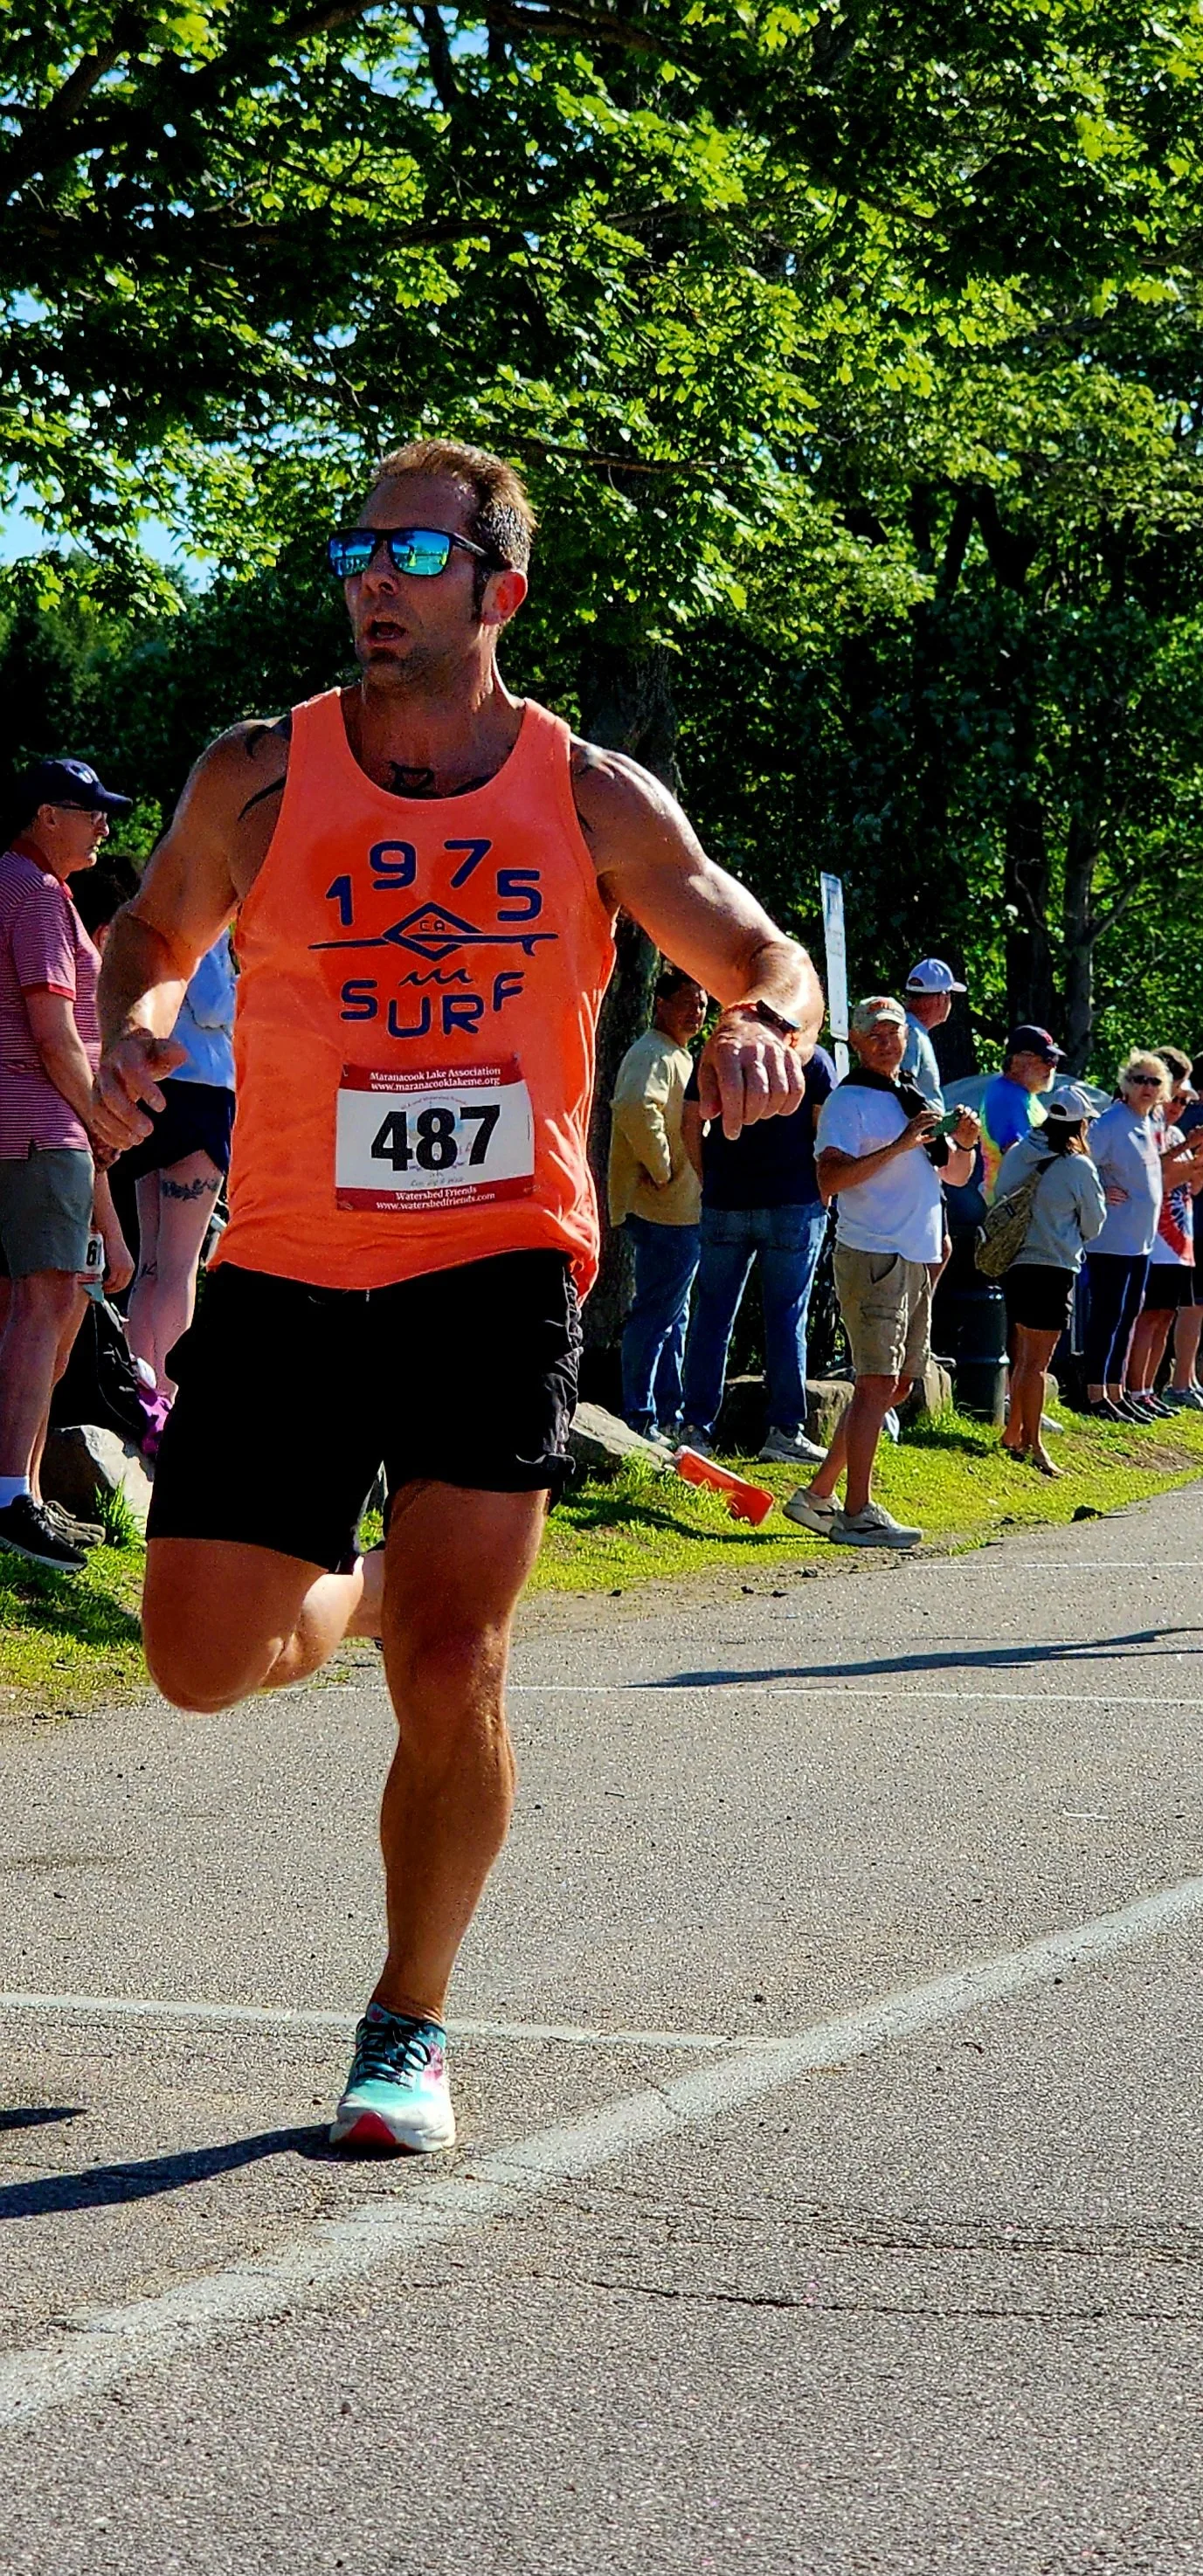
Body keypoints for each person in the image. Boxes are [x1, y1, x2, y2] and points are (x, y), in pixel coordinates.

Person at [92, 435, 825, 2156]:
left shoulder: (589, 796)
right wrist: (133, 1016)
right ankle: (350, 1580)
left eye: (410, 555)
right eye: (355, 549)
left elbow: (753, 947)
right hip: (280, 1259)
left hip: (496, 1254)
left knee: (456, 1649)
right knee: (200, 1663)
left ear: (499, 588)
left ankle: (406, 2024)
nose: (369, 577)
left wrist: (770, 1019)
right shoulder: (260, 774)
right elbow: (151, 935)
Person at [0, 756, 135, 1571]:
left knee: (31, 1309)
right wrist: (101, 1116)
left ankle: (29, 1491)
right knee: (45, 1307)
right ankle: (13, 1496)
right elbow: (55, 1035)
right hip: (40, 1130)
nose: (104, 825)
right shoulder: (39, 893)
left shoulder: (14, 883)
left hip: (29, 1129)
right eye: (90, 811)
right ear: (47, 815)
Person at [784, 996, 979, 1547]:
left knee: (894, 1388)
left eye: (895, 1034)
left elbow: (956, 1176)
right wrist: (899, 1144)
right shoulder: (850, 1101)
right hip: (874, 1255)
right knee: (875, 1384)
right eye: (877, 1035)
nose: (889, 1043)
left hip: (914, 1256)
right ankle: (856, 1509)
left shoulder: (910, 1094)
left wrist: (961, 1144)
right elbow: (828, 1181)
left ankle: (819, 1495)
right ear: (856, 1043)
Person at [677, 1034, 835, 1465]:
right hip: (793, 1199)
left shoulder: (722, 1052)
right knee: (786, 1316)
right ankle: (784, 1430)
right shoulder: (812, 1060)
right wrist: (823, 1191)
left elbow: (690, 1120)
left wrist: (708, 1174)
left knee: (711, 1316)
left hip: (726, 1197)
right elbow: (825, 1133)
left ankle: (695, 1428)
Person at [122, 931, 237, 1435]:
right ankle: (167, 1400)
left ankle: (135, 1383)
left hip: (151, 1088)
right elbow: (215, 1004)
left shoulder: (146, 924)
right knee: (178, 1266)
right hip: (202, 1092)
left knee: (149, 1259)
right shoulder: (206, 926)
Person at [607, 964, 705, 1440]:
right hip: (664, 1208)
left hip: (683, 1208)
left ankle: (669, 1413)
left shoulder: (679, 1055)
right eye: (687, 1002)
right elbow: (632, 1106)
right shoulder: (652, 1054)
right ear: (660, 1004)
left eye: (703, 1004)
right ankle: (639, 1416)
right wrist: (663, 1168)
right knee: (657, 1313)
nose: (697, 1011)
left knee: (673, 1314)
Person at [994, 1091, 1106, 1473]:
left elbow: (999, 1198)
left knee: (1023, 1355)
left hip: (1015, 1264)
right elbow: (1094, 1224)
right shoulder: (1078, 1167)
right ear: (1080, 1124)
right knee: (1037, 1364)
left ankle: (1013, 1432)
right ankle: (1034, 1444)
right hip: (1054, 1267)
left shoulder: (1017, 1154)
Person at [1083, 1052, 1184, 1420]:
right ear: (1126, 1083)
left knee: (1128, 1315)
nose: (1146, 1087)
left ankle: (1117, 1390)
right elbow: (1081, 1162)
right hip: (1111, 1239)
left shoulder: (1149, 1121)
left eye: (1154, 1082)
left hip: (1140, 1242)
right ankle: (1096, 1394)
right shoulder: (1112, 1122)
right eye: (1139, 1079)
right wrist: (1099, 1192)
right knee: (1108, 1315)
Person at [1126, 1049, 1203, 1417]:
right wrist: (1188, 1150)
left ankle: (1148, 1389)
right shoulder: (1151, 1129)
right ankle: (1134, 1387)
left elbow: (1191, 1187)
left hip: (1180, 1243)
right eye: (1176, 1099)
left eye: (1186, 1102)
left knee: (1165, 1316)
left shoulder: (1171, 1131)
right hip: (1155, 1240)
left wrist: (1197, 1163)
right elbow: (1157, 1175)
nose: (1180, 1107)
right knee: (1148, 1315)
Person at [980, 1024, 1062, 1200]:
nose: (1052, 1067)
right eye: (1047, 1059)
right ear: (1018, 1061)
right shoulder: (1007, 1098)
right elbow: (1018, 1157)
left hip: (1022, 1204)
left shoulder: (1024, 1095)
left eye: (1055, 1060)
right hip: (1010, 1209)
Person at [901, 957, 964, 1109]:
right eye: (950, 995)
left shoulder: (911, 1029)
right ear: (942, 998)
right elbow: (904, 1088)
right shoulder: (911, 1033)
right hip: (921, 1131)